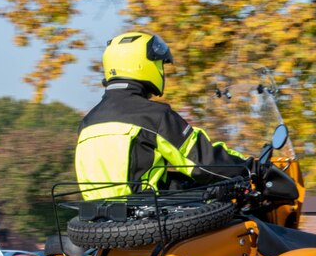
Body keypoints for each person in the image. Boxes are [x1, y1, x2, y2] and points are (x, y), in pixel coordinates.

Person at [75, 30, 251, 200]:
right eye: (159, 64)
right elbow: (204, 164)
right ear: (142, 65)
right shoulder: (154, 116)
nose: (161, 71)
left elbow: (131, 175)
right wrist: (251, 167)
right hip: (146, 221)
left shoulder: (88, 122)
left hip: (101, 224)